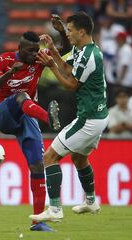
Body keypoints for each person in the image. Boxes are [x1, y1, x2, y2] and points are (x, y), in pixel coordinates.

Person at [0, 17, 71, 231]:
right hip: (4, 113)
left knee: (37, 165)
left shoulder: (39, 59)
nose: (35, 55)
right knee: (22, 96)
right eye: (30, 51)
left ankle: (38, 222)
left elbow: (64, 49)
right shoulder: (4, 60)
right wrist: (11, 72)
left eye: (36, 50)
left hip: (27, 116)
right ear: (20, 48)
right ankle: (49, 119)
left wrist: (61, 33)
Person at [30, 12, 109, 222]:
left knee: (49, 157)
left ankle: (55, 209)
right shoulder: (86, 51)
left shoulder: (90, 55)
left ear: (82, 32)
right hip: (98, 115)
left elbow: (72, 85)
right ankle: (91, 202)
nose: (69, 33)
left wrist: (50, 66)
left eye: (71, 30)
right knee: (79, 158)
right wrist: (54, 52)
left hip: (89, 119)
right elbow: (67, 67)